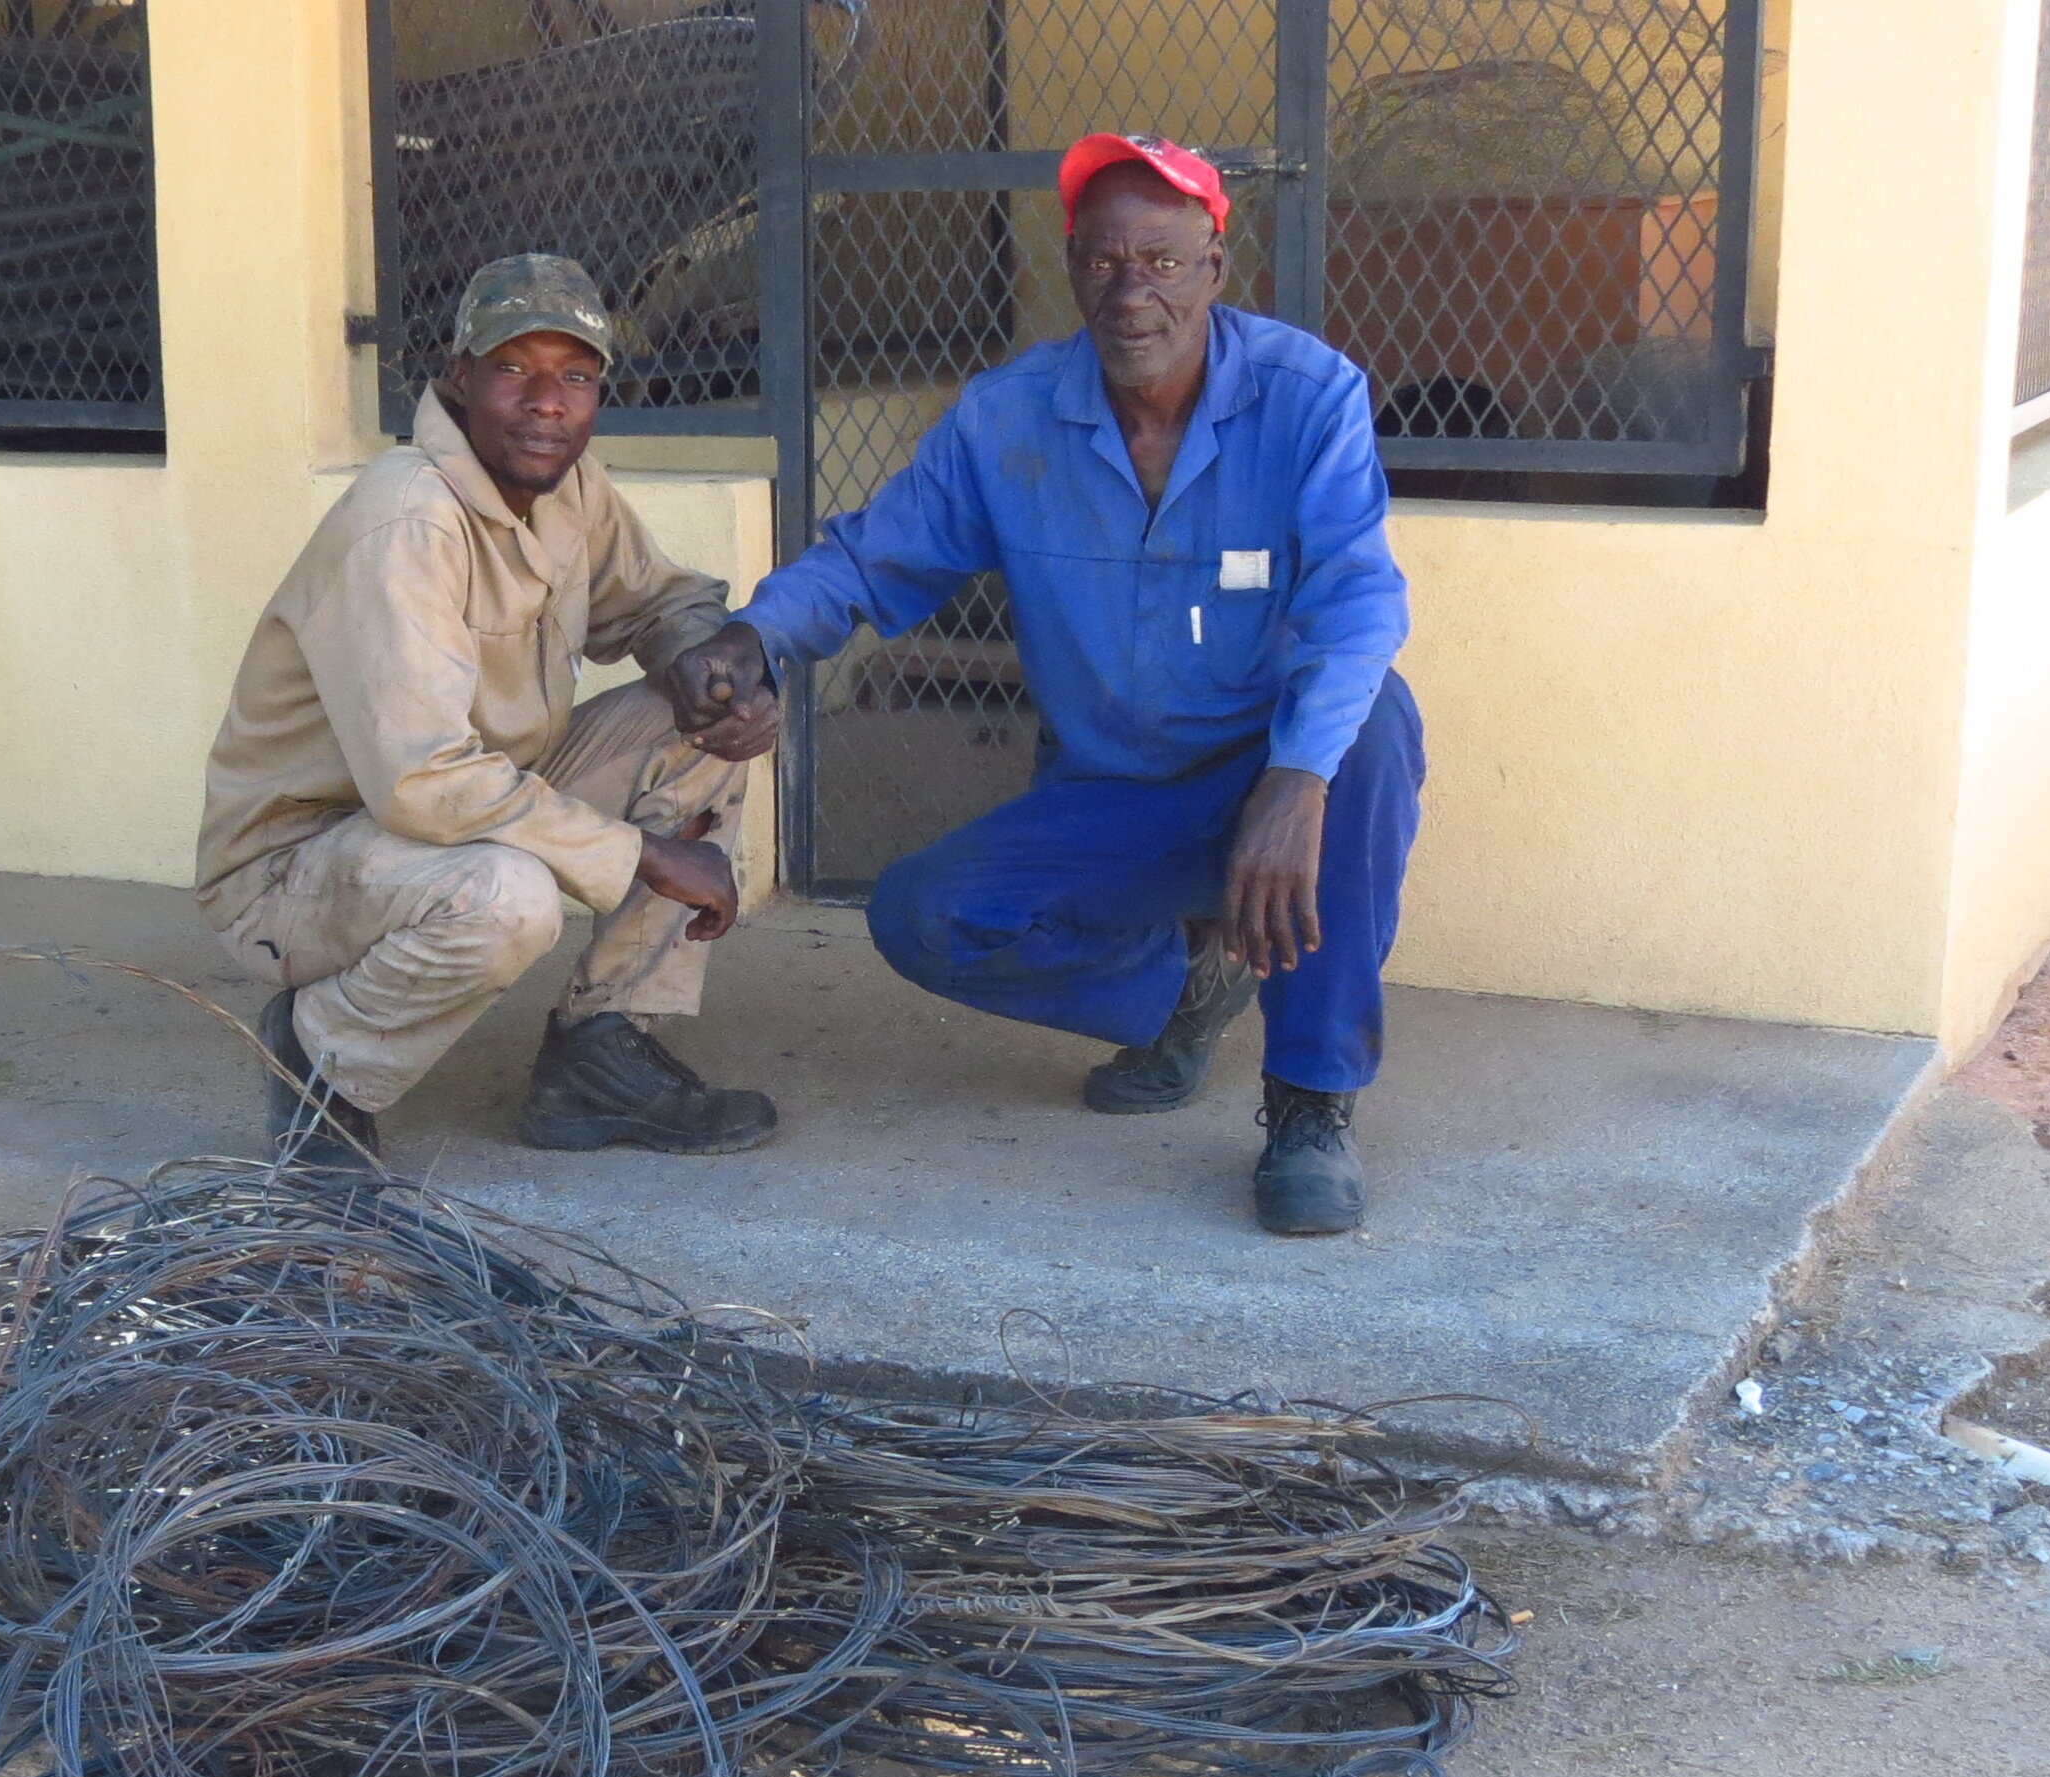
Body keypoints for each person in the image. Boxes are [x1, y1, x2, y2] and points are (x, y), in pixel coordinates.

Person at [664, 134, 1418, 1235]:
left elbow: (1359, 601)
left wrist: (1296, 778)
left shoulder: (1307, 398)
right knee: (925, 915)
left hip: (1269, 768)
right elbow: (876, 559)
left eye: (1161, 262)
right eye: (1105, 260)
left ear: (1214, 265)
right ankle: (1185, 994)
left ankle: (1310, 1100)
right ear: (1072, 264)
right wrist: (756, 636)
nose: (1130, 292)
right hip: (1113, 788)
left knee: (1375, 728)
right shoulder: (1008, 418)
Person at [197, 253, 783, 1168]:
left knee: (694, 724)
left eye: (576, 377)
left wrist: (717, 673)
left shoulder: (565, 486)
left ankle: (599, 1052)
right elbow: (423, 783)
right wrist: (643, 853)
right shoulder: (411, 521)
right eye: (515, 369)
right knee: (506, 899)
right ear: (459, 379)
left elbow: (660, 601)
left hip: (468, 805)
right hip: (305, 865)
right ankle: (324, 1063)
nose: (548, 401)